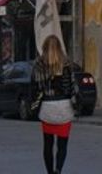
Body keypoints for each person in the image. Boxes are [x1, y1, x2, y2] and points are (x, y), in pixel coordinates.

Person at [32, 34, 75, 174]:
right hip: (64, 107)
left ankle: (49, 172)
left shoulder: (38, 64)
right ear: (59, 47)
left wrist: (34, 106)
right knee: (62, 145)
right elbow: (72, 87)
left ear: (44, 47)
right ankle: (58, 170)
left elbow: (34, 88)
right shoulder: (67, 63)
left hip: (47, 108)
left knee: (48, 145)